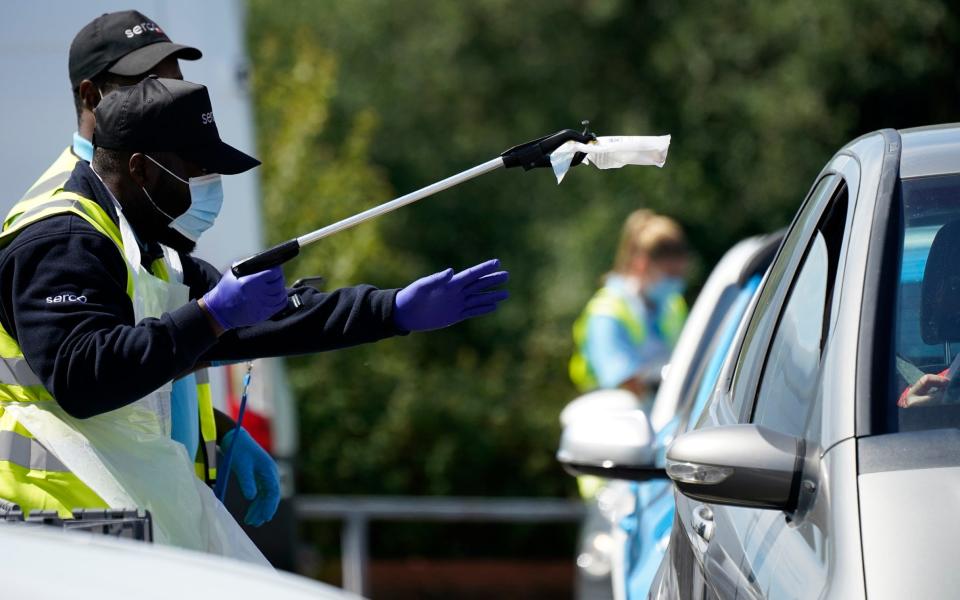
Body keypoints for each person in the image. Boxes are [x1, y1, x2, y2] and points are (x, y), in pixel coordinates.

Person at [0, 76, 509, 561]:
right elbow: (81, 376)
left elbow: (266, 318)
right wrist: (210, 316)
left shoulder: (147, 251)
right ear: (141, 169)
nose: (211, 186)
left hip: (117, 511)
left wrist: (390, 309)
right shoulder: (66, 239)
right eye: (198, 169)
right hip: (56, 526)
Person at [22, 10, 200, 205]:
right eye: (150, 88)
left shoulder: (144, 176)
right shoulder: (65, 214)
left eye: (175, 86)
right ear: (91, 97)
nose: (168, 101)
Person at [569, 209, 690, 404]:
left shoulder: (672, 305)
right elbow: (627, 383)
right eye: (670, 274)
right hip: (613, 419)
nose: (675, 282)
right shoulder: (607, 312)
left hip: (664, 416)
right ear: (641, 264)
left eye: (679, 275)